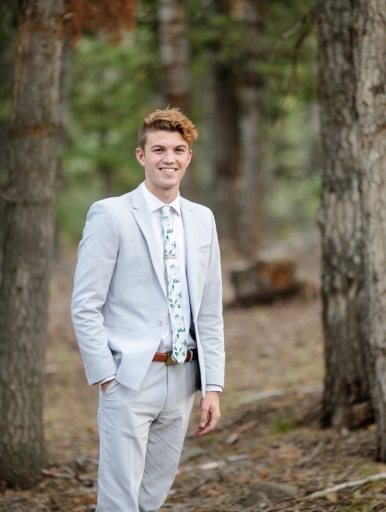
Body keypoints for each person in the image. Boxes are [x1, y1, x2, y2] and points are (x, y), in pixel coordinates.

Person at [70, 108, 225, 511]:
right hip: (129, 378)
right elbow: (85, 305)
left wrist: (212, 386)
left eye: (178, 149)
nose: (168, 158)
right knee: (120, 501)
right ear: (141, 155)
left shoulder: (202, 219)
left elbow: (209, 310)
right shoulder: (111, 214)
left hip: (183, 379)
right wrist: (106, 375)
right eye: (158, 149)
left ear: (189, 157)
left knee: (150, 500)